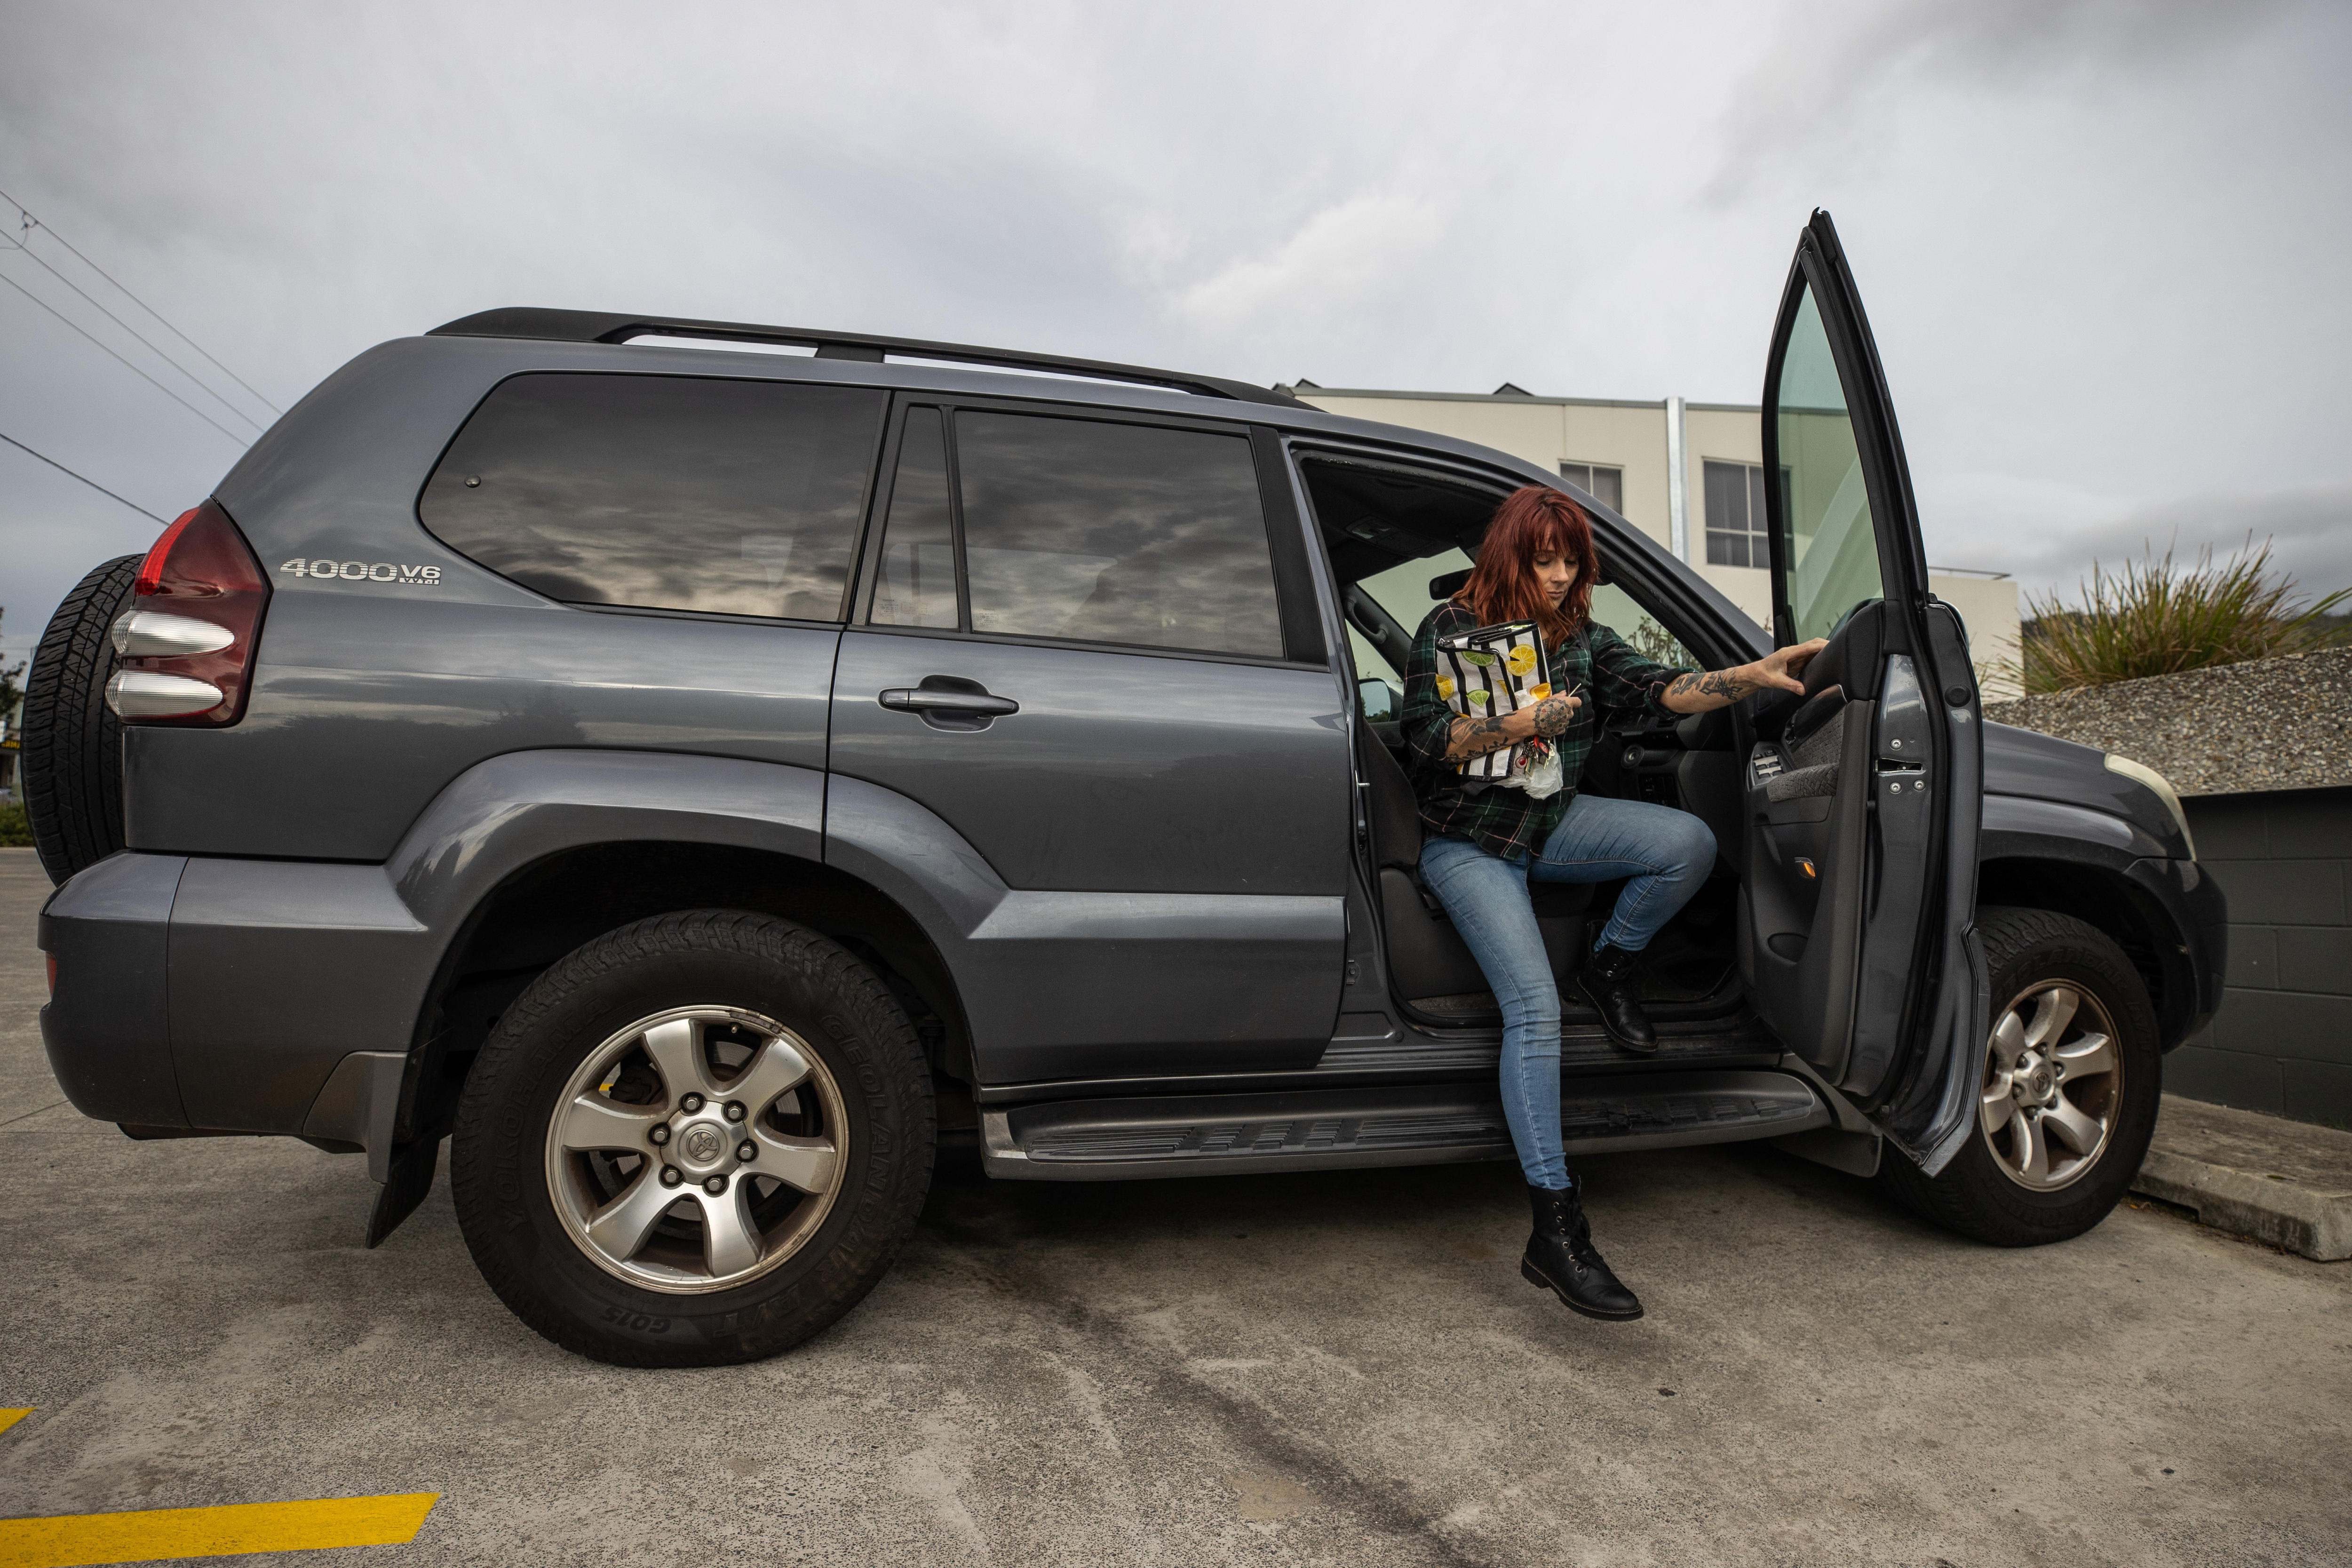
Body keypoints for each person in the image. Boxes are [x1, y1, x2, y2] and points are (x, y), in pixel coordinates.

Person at [1402, 485, 1826, 1321]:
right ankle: (1557, 1230)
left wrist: (1752, 676)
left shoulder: (1581, 640)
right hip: (1471, 840)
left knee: (1689, 843)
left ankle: (1611, 959)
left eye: (1571, 562)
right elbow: (1429, 741)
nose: (1559, 576)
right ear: (1509, 555)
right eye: (1544, 559)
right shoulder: (1448, 630)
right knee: (1533, 1009)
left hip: (1553, 820)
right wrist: (1520, 724)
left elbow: (1665, 689)